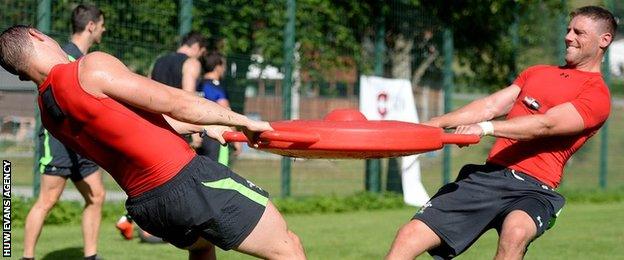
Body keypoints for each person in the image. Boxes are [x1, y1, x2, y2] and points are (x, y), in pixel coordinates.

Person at [0, 25, 305, 260]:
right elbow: (174, 102)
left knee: (201, 251)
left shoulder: (49, 112)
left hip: (150, 207)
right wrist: (242, 120)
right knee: (288, 247)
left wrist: (208, 123)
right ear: (35, 35)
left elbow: (136, 123)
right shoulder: (87, 68)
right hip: (188, 182)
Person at [385, 6, 616, 260]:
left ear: (604, 40)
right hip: (489, 176)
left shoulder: (597, 96)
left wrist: (486, 128)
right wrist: (435, 124)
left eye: (578, 32)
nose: (568, 37)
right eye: (568, 30)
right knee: (409, 235)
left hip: (534, 189)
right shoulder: (537, 73)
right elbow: (490, 106)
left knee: (515, 231)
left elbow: (546, 125)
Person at [23, 4, 106, 260]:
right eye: (101, 24)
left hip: (81, 141)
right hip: (59, 140)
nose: (104, 29)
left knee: (97, 195)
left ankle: (90, 256)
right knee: (48, 201)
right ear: (91, 26)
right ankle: (26, 257)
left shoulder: (86, 61)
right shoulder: (62, 56)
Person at [197, 51, 242, 165]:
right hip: (216, 137)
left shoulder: (197, 84)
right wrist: (236, 140)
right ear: (218, 66)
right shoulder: (216, 88)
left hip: (197, 134)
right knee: (218, 174)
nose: (224, 69)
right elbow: (226, 114)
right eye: (224, 66)